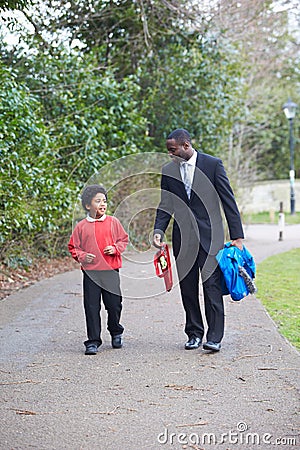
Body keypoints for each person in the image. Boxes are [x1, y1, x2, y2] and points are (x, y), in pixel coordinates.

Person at [153, 129, 244, 352]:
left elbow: (228, 201)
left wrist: (237, 236)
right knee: (187, 288)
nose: (170, 154)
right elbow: (166, 204)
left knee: (211, 286)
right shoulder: (168, 171)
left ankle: (214, 337)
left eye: (172, 150)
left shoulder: (213, 165)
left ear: (186, 145)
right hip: (183, 239)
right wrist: (158, 230)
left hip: (211, 237)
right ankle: (194, 333)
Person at [68, 184, 128, 355]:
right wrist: (82, 256)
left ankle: (116, 331)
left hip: (110, 271)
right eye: (98, 201)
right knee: (91, 306)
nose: (102, 204)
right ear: (88, 205)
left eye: (104, 201)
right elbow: (73, 247)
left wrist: (115, 248)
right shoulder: (81, 226)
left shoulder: (113, 222)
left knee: (114, 304)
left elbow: (123, 239)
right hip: (91, 273)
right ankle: (93, 341)